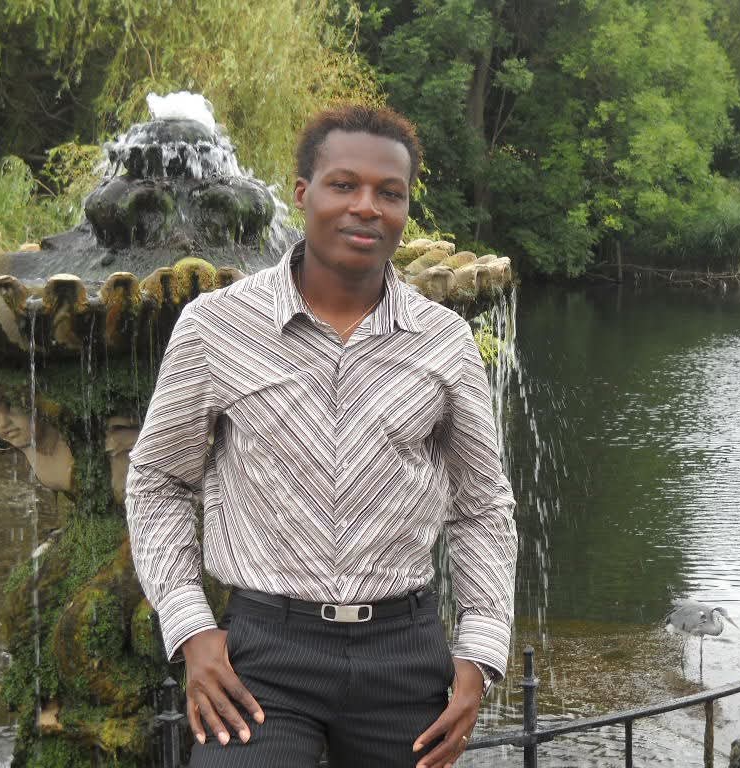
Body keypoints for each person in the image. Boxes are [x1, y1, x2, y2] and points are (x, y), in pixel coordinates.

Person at [125, 105, 517, 768]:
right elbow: (158, 481)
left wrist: (479, 652)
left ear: (405, 207)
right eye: (344, 185)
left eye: (389, 192)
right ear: (303, 194)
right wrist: (191, 627)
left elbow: (482, 507)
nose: (366, 207)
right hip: (264, 655)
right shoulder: (217, 327)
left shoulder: (443, 341)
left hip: (402, 652)